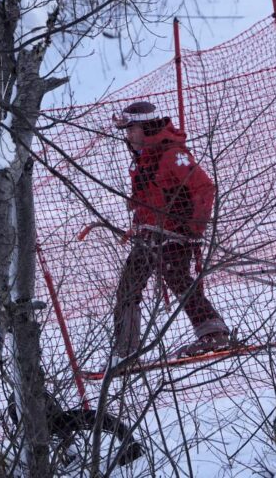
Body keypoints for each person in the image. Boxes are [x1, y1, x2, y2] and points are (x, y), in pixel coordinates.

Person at [111, 101, 231, 363]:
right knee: (128, 288)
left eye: (133, 129)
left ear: (148, 127)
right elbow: (152, 197)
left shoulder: (172, 155)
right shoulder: (141, 161)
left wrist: (193, 228)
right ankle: (124, 353)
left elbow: (205, 188)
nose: (128, 136)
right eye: (127, 131)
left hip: (176, 235)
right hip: (148, 236)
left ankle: (214, 332)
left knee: (177, 277)